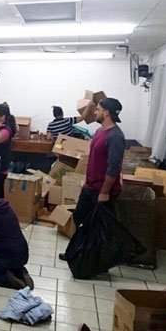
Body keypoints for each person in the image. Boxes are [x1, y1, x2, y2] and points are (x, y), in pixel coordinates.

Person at [59, 98, 125, 261]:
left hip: (102, 191)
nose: (95, 112)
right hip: (90, 186)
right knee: (79, 217)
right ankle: (74, 252)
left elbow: (113, 167)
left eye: (98, 109)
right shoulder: (99, 132)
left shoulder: (116, 136)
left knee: (98, 226)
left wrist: (104, 192)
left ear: (106, 113)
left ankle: (92, 260)